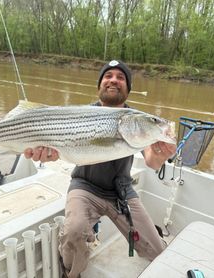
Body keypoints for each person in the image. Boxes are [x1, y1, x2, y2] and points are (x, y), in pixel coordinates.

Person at [24, 60, 176, 278]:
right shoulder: (82, 114)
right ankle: (71, 272)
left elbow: (151, 161)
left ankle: (152, 237)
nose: (113, 80)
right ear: (100, 85)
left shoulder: (135, 120)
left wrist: (161, 155)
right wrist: (47, 152)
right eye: (108, 76)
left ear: (127, 88)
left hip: (122, 192)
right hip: (85, 187)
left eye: (120, 77)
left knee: (158, 251)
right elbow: (59, 145)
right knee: (74, 232)